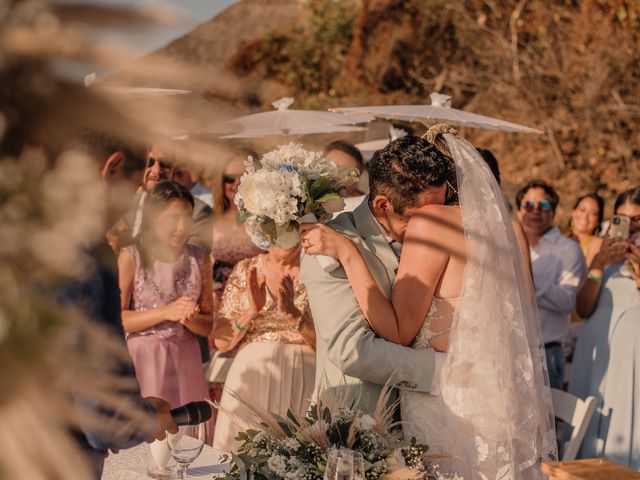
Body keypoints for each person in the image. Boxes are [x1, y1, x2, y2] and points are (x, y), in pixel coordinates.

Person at [300, 131, 556, 479]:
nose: (434, 216)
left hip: (448, 414)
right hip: (364, 421)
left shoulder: (439, 225)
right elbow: (350, 349)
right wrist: (443, 369)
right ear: (382, 205)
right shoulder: (330, 245)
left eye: (442, 200)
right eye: (425, 211)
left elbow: (406, 330)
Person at [64, 136, 178, 477]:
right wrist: (141, 420)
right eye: (133, 186)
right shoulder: (86, 257)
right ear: (112, 169)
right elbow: (104, 419)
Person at [117, 181, 213, 435]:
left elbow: (208, 324)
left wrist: (190, 320)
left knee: (188, 438)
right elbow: (118, 319)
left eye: (187, 218)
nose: (181, 227)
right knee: (144, 437)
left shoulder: (200, 258)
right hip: (144, 360)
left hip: (187, 359)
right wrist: (165, 311)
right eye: (173, 218)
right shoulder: (131, 256)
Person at [212, 243, 316, 453]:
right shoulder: (246, 269)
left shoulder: (317, 271)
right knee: (238, 457)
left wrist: (297, 318)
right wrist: (251, 311)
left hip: (303, 376)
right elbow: (222, 342)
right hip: (252, 376)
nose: (290, 239)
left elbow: (327, 344)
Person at [569, 187, 640, 469]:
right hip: (596, 348)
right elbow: (583, 309)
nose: (630, 226)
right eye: (622, 218)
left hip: (633, 354)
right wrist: (598, 263)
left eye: (637, 219)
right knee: (589, 421)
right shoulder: (600, 247)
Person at [516, 180, 586, 389]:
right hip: (513, 349)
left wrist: (526, 283)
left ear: (553, 211)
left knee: (550, 421)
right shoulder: (508, 244)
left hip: (547, 352)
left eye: (544, 206)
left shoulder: (569, 250)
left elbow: (567, 301)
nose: (535, 211)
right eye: (529, 205)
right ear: (519, 211)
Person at [324, 140, 367, 213]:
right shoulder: (303, 201)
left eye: (343, 171)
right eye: (328, 166)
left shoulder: (361, 210)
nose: (333, 175)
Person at [568, 192, 605, 265]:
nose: (585, 216)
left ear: (598, 221)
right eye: (582, 210)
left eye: (593, 213)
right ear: (573, 212)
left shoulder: (599, 244)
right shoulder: (558, 239)